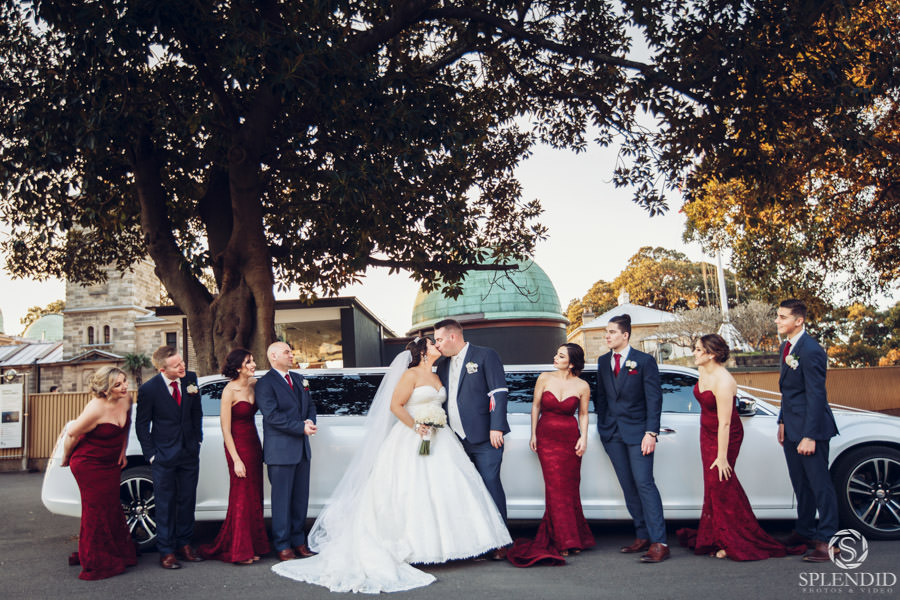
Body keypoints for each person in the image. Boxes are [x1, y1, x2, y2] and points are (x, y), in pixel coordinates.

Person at [271, 338, 511, 593]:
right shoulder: (410, 375)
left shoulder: (438, 374)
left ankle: (457, 545)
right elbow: (395, 405)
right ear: (422, 352)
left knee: (447, 490)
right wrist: (416, 425)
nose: (437, 346)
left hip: (441, 439)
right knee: (409, 490)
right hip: (412, 437)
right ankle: (417, 547)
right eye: (432, 343)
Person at [675, 334, 805, 560]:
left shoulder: (724, 381)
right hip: (706, 433)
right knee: (713, 486)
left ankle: (734, 539)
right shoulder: (703, 371)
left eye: (698, 349)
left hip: (726, 434)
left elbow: (725, 423)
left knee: (722, 484)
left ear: (711, 355)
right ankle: (715, 536)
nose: (694, 353)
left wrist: (722, 456)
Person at [508, 343, 595, 567]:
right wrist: (533, 434)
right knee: (555, 487)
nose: (555, 357)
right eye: (557, 354)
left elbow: (583, 414)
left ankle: (573, 537)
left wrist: (584, 438)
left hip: (570, 439)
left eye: (561, 356)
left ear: (572, 363)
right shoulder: (544, 378)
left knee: (569, 488)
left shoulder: (583, 385)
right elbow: (536, 406)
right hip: (546, 438)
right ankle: (563, 540)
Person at [433, 318, 510, 560]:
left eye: (439, 339)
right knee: (464, 490)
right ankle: (475, 543)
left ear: (453, 336)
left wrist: (496, 426)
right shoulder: (442, 366)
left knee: (490, 483)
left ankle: (500, 542)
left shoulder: (485, 355)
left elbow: (498, 392)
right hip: (455, 440)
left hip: (486, 438)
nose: (437, 345)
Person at [595, 314, 669, 563]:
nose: (607, 336)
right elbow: (602, 398)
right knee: (628, 486)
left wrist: (651, 432)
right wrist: (604, 427)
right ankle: (642, 535)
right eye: (606, 332)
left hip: (638, 433)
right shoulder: (603, 361)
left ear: (625, 335)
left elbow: (654, 399)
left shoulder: (644, 361)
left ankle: (660, 542)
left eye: (612, 332)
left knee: (644, 484)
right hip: (612, 434)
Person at [775, 299, 841, 562]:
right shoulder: (787, 347)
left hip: (811, 430)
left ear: (798, 320)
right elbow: (788, 392)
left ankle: (829, 541)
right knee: (800, 484)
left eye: (782, 317)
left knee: (820, 485)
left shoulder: (811, 350)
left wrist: (809, 435)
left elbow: (816, 395)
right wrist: (782, 421)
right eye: (778, 316)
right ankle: (804, 531)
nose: (777, 321)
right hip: (791, 427)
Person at [61, 366, 138, 580]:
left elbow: (126, 425)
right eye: (118, 384)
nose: (125, 386)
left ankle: (117, 552)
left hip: (110, 463)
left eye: (124, 381)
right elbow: (72, 434)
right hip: (89, 464)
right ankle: (96, 559)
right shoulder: (95, 409)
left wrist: (123, 451)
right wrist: (66, 458)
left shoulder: (126, 398)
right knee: (95, 511)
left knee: (111, 507)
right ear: (105, 390)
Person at [199, 349, 271, 564]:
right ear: (238, 367)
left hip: (254, 444)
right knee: (241, 496)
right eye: (249, 362)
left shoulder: (255, 384)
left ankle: (254, 546)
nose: (253, 364)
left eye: (253, 360)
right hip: (237, 446)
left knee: (254, 495)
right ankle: (240, 550)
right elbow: (225, 429)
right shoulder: (229, 391)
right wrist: (236, 460)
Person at [135, 346, 204, 570]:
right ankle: (166, 551)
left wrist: (198, 439)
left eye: (182, 362)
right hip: (163, 456)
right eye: (176, 366)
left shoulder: (190, 379)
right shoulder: (149, 390)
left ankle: (185, 545)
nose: (182, 367)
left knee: (187, 500)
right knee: (165, 504)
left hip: (189, 452)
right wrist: (151, 455)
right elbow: (142, 425)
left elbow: (196, 411)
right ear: (162, 369)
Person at [255, 341, 317, 562]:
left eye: (291, 352)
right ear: (273, 356)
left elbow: (310, 405)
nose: (291, 355)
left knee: (300, 499)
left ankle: (299, 541)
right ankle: (282, 545)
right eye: (286, 352)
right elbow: (272, 416)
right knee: (281, 501)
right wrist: (300, 427)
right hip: (280, 452)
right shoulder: (265, 384)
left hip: (302, 450)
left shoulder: (300, 379)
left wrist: (310, 420)